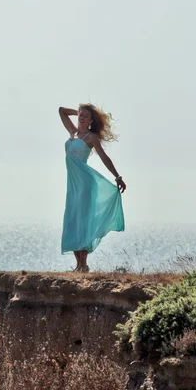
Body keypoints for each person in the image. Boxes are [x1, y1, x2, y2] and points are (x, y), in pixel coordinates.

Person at [59, 104, 126, 272]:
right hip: (73, 185)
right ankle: (78, 265)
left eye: (85, 116)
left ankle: (83, 264)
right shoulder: (72, 132)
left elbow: (104, 157)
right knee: (72, 220)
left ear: (90, 121)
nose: (81, 117)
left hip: (85, 184)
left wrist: (117, 176)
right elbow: (61, 110)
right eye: (81, 115)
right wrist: (79, 112)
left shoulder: (91, 137)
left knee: (81, 222)